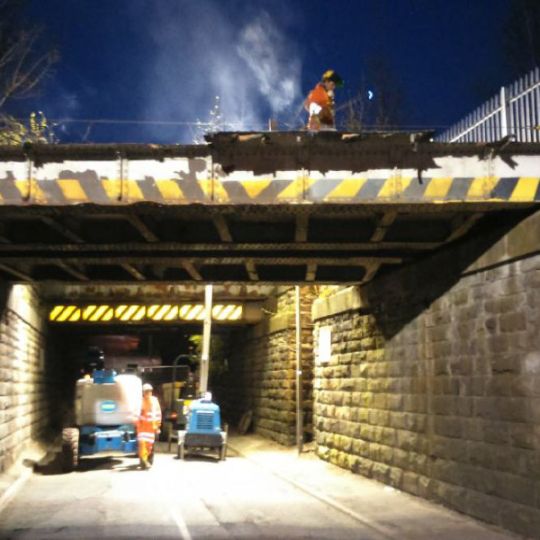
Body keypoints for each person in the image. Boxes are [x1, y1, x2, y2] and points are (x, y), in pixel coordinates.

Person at [137, 383, 162, 469]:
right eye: (146, 391)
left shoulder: (155, 401)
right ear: (143, 392)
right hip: (142, 428)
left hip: (151, 428)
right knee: (142, 445)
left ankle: (147, 461)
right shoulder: (140, 402)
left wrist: (158, 426)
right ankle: (144, 461)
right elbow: (137, 415)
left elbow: (158, 414)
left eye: (149, 391)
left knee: (149, 447)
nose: (148, 393)